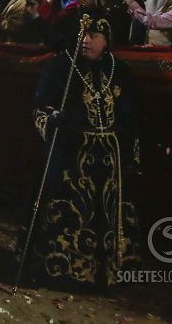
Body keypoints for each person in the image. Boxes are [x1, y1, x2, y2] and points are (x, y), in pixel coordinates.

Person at [18, 16, 140, 289]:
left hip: (109, 158)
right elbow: (41, 106)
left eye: (94, 35)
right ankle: (62, 269)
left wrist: (129, 151)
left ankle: (110, 272)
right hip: (70, 154)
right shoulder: (61, 66)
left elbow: (131, 116)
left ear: (106, 40)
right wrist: (52, 121)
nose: (87, 40)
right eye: (83, 34)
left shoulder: (118, 69)